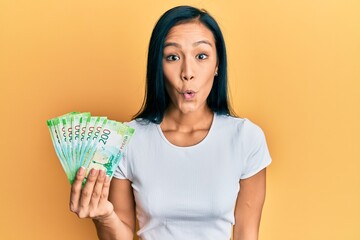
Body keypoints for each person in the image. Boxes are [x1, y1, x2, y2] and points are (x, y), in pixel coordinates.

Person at [69, 5, 272, 240]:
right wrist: (104, 216)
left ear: (217, 65)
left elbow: (247, 235)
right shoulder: (127, 140)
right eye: (173, 57)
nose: (188, 72)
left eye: (201, 56)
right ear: (158, 65)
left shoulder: (246, 138)